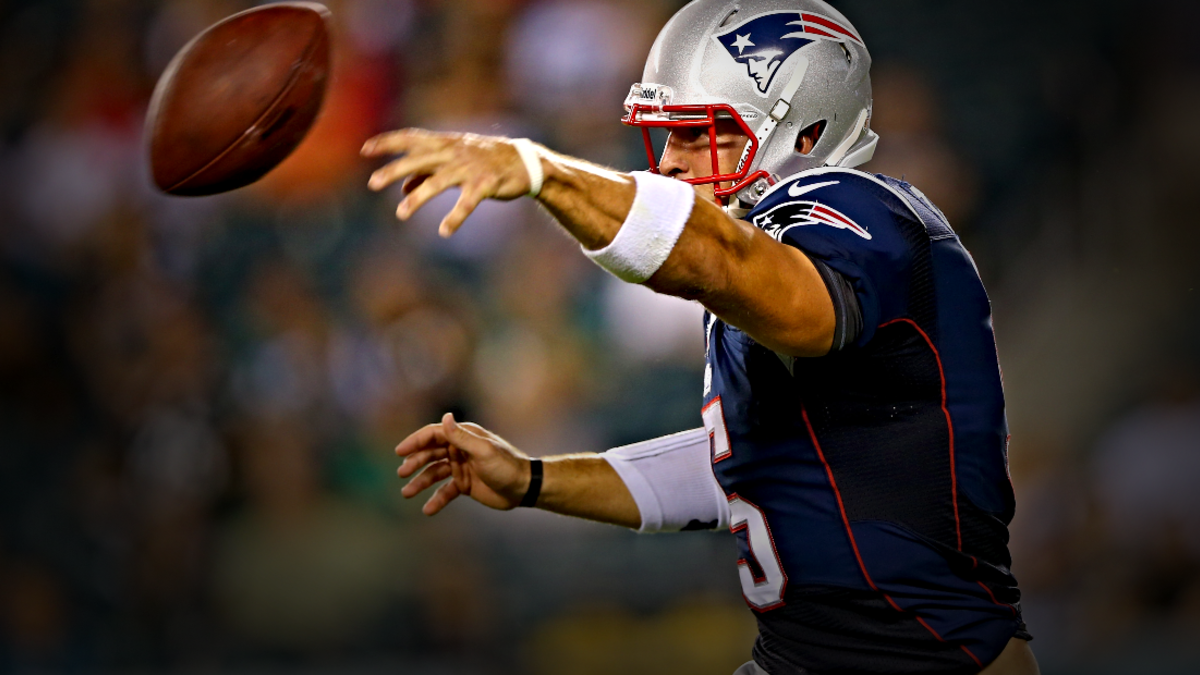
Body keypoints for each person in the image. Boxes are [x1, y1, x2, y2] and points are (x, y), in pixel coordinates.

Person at [362, 1, 1039, 673]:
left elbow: (729, 264)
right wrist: (536, 478)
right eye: (672, 136)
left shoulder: (864, 212)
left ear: (807, 133)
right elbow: (738, 465)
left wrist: (544, 173)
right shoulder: (763, 275)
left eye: (703, 132)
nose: (676, 163)